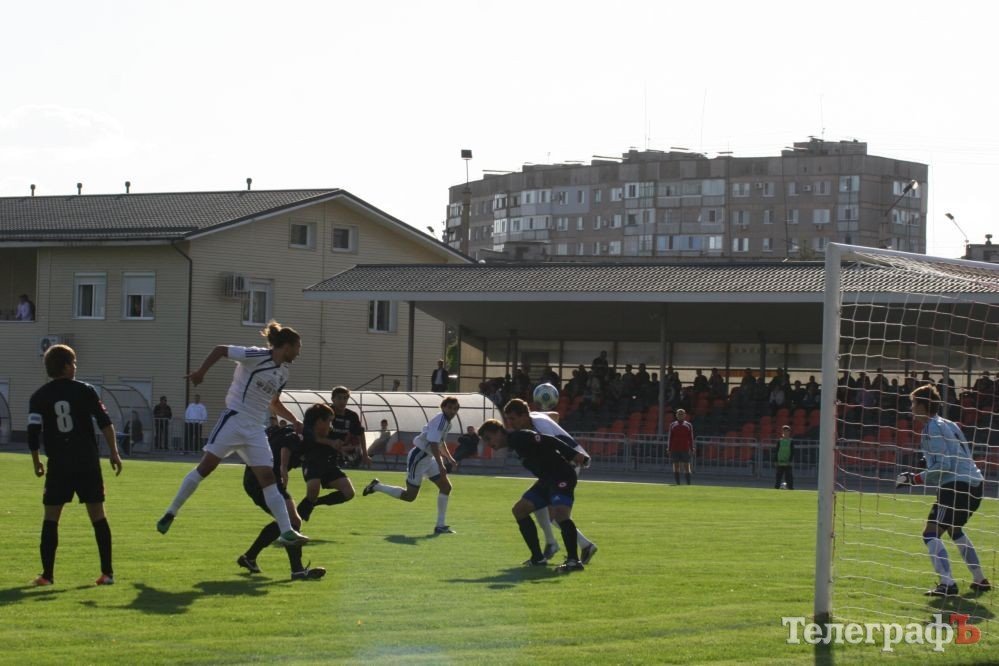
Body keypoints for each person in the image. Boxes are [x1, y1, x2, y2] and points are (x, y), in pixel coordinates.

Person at [156, 321, 309, 547]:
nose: (299, 352)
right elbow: (220, 349)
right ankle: (171, 512)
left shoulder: (282, 373)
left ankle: (286, 531)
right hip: (235, 420)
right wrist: (201, 372)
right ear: (286, 346)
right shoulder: (255, 355)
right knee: (205, 468)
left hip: (256, 429)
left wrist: (294, 419)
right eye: (298, 347)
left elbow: (273, 403)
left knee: (268, 478)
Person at [27, 343, 122, 586]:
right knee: (98, 515)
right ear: (66, 366)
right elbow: (105, 423)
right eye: (74, 363)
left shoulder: (39, 396)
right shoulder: (86, 391)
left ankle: (47, 575)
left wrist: (37, 461)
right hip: (87, 462)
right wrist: (114, 452)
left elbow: (33, 431)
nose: (76, 367)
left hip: (59, 464)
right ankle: (107, 573)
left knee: (51, 517)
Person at [896, 384, 991, 597]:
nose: (911, 407)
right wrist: (926, 461)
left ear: (922, 405)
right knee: (954, 530)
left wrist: (914, 479)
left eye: (913, 403)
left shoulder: (931, 427)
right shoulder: (948, 424)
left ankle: (947, 585)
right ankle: (980, 580)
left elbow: (944, 466)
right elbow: (958, 452)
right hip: (975, 484)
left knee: (930, 533)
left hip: (956, 486)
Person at [477, 419, 591, 573]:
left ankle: (573, 561)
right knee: (520, 510)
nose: (488, 443)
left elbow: (550, 440)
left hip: (561, 475)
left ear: (499, 432)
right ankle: (537, 558)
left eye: (488, 438)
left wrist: (575, 455)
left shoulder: (519, 437)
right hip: (547, 481)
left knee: (561, 515)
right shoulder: (514, 444)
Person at [502, 398, 598, 564]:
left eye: (513, 418)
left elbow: (556, 445)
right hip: (556, 468)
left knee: (555, 514)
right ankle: (555, 544)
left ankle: (576, 546)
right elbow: (555, 415)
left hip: (569, 463)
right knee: (536, 505)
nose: (510, 423)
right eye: (508, 419)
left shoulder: (540, 427)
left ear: (524, 415)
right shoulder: (535, 418)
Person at [238, 408, 326, 581]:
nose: (330, 425)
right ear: (318, 422)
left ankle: (250, 557)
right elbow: (288, 443)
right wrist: (283, 468)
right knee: (292, 521)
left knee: (287, 520)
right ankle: (297, 571)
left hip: (258, 477)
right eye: (328, 421)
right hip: (263, 479)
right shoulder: (303, 433)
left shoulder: (297, 429)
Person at [362, 397, 459, 535]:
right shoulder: (441, 421)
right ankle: (376, 487)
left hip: (428, 457)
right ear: (443, 407)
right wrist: (441, 465)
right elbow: (433, 444)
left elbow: (440, 443)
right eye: (450, 407)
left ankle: (440, 525)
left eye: (455, 408)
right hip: (419, 458)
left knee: (446, 487)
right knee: (409, 496)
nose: (452, 411)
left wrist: (449, 458)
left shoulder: (447, 422)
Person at [296, 387, 369, 522]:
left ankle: (311, 504)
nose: (342, 401)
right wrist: (331, 443)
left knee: (348, 493)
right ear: (332, 399)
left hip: (331, 460)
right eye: (339, 398)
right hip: (313, 456)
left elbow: (359, 433)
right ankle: (291, 523)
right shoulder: (323, 412)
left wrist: (363, 454)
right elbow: (309, 433)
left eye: (345, 398)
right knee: (313, 490)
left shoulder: (351, 416)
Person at [668, 408, 694, 485]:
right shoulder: (672, 425)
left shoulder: (688, 425)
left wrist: (692, 448)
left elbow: (691, 437)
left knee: (687, 466)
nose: (680, 415)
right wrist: (669, 448)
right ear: (676, 415)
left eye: (682, 414)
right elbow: (670, 437)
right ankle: (678, 483)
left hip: (685, 448)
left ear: (685, 415)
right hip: (675, 448)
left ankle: (688, 483)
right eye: (679, 414)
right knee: (676, 466)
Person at [774, 425, 795, 490]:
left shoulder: (791, 441)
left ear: (789, 432)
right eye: (785, 431)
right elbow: (776, 451)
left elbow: (792, 452)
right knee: (778, 476)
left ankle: (790, 488)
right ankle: (776, 488)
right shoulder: (779, 441)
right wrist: (775, 460)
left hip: (787, 462)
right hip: (780, 462)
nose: (786, 433)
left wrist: (790, 461)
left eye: (787, 431)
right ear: (782, 432)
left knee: (789, 476)